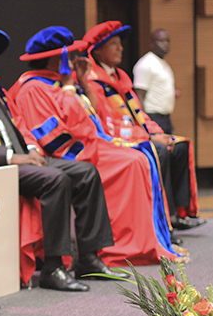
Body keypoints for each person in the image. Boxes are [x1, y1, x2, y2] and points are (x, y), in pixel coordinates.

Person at [0, 20, 123, 290]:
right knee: (55, 179)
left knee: (85, 172)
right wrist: (10, 157)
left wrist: (29, 149)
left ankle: (88, 257)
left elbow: (20, 125)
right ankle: (53, 267)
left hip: (18, 159)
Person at [8, 26, 181, 267]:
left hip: (87, 145)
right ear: (53, 58)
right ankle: (119, 249)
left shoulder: (59, 82)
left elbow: (93, 118)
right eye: (66, 56)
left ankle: (140, 243)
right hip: (69, 153)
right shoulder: (33, 88)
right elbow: (57, 138)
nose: (71, 61)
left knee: (140, 157)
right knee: (131, 162)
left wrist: (82, 85)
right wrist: (70, 88)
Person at [82, 21, 204, 231]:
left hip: (139, 132)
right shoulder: (94, 83)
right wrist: (149, 138)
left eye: (120, 43)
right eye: (114, 44)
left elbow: (138, 113)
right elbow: (110, 123)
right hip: (113, 141)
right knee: (160, 152)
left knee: (180, 146)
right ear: (98, 51)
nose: (121, 48)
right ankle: (163, 219)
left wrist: (157, 133)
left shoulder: (120, 77)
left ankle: (176, 213)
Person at [133, 29, 177, 135]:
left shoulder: (163, 63)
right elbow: (139, 96)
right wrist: (144, 124)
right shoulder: (146, 64)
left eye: (167, 41)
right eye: (161, 41)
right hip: (152, 117)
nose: (165, 44)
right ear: (152, 44)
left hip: (165, 118)